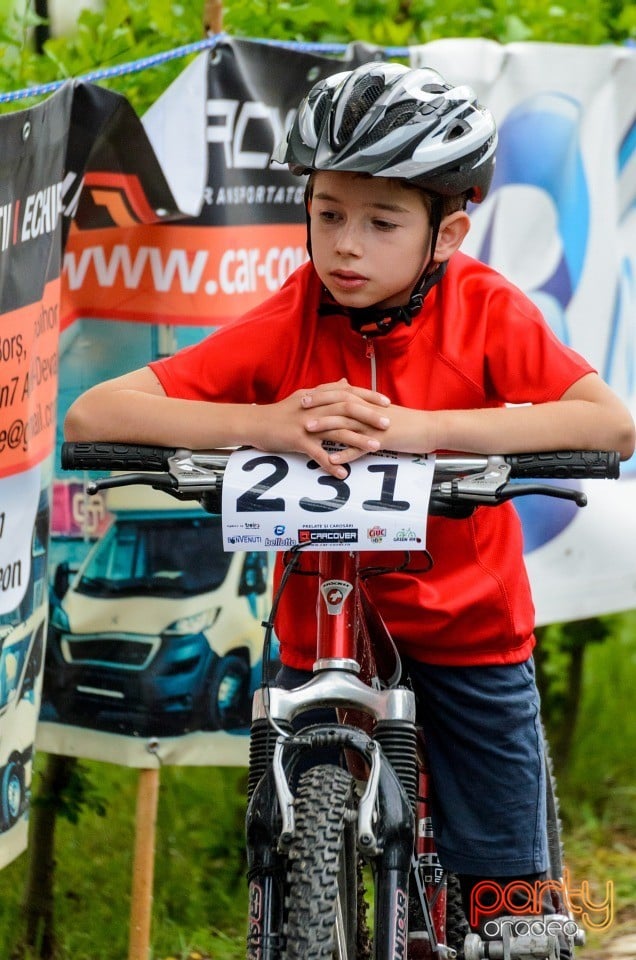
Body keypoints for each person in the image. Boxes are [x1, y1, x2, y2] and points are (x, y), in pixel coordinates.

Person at [65, 61, 635, 947]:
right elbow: (96, 411)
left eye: (381, 221)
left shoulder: (483, 309)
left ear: (447, 233)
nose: (346, 247)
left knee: (509, 909)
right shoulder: (294, 316)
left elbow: (609, 424)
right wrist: (268, 422)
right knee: (284, 820)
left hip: (466, 631)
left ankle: (514, 912)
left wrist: (422, 428)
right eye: (328, 214)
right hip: (320, 630)